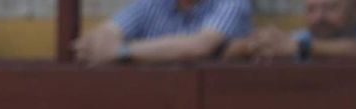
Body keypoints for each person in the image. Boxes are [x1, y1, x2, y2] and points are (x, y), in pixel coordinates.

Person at [71, 0, 250, 64]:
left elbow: (200, 46)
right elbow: (100, 37)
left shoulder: (231, 2)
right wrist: (99, 43)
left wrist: (122, 51)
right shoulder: (153, 3)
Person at [223, 0, 356, 61]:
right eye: (312, 10)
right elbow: (227, 53)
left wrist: (301, 47)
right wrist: (255, 45)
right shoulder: (302, 37)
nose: (319, 17)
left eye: (331, 8)